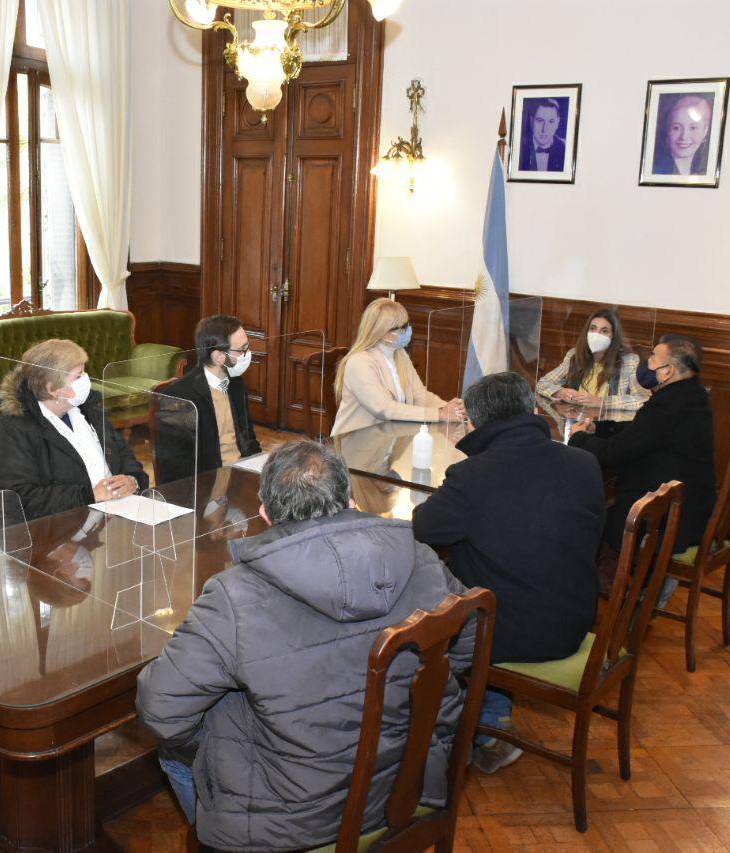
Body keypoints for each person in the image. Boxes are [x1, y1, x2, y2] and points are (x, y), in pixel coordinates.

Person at [136, 440, 473, 850]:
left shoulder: (232, 595)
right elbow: (468, 638)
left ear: (264, 515)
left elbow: (160, 710)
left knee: (175, 752)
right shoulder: (420, 559)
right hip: (411, 781)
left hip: (290, 820)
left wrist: (214, 744)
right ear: (349, 499)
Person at [412, 372, 605, 774]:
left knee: (430, 608)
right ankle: (491, 716)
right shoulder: (584, 463)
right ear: (531, 410)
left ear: (478, 424)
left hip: (511, 632)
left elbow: (423, 527)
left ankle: (450, 732)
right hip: (574, 618)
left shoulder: (474, 475)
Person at [570, 334, 716, 561]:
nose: (648, 364)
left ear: (668, 371)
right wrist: (598, 429)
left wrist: (578, 438)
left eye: (654, 359)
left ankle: (620, 584)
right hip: (692, 507)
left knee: (585, 519)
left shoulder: (667, 406)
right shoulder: (692, 394)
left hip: (665, 521)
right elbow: (642, 432)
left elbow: (614, 453)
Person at [0, 338, 149, 521]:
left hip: (113, 517)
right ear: (53, 389)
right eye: (78, 376)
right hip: (53, 532)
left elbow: (124, 455)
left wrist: (132, 480)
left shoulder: (88, 409)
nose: (86, 380)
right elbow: (21, 498)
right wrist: (89, 495)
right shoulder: (13, 427)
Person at [330, 297, 464, 437]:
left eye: (407, 324)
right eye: (401, 328)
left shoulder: (399, 355)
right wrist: (439, 414)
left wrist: (449, 408)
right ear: (381, 333)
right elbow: (385, 408)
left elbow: (420, 395)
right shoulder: (359, 362)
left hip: (387, 441)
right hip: (356, 444)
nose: (408, 330)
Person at [156, 314, 261, 483]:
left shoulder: (236, 384)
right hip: (208, 483)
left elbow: (249, 438)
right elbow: (175, 465)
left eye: (247, 347)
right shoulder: (180, 396)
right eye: (242, 350)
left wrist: (259, 472)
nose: (247, 354)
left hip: (241, 475)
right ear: (219, 356)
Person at [536, 308, 650, 411]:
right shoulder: (574, 355)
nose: (596, 335)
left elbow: (643, 399)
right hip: (576, 425)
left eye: (604, 331)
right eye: (593, 329)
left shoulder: (629, 361)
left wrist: (602, 402)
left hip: (607, 429)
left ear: (613, 336)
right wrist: (561, 392)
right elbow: (542, 384)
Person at [652, 94, 712, 176]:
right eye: (676, 128)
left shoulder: (701, 173)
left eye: (693, 128)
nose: (684, 137)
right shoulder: (657, 171)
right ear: (667, 131)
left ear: (705, 131)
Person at [518, 98, 566, 172]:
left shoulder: (564, 148)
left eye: (551, 121)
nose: (544, 129)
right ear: (531, 121)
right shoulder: (519, 147)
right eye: (540, 121)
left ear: (557, 123)